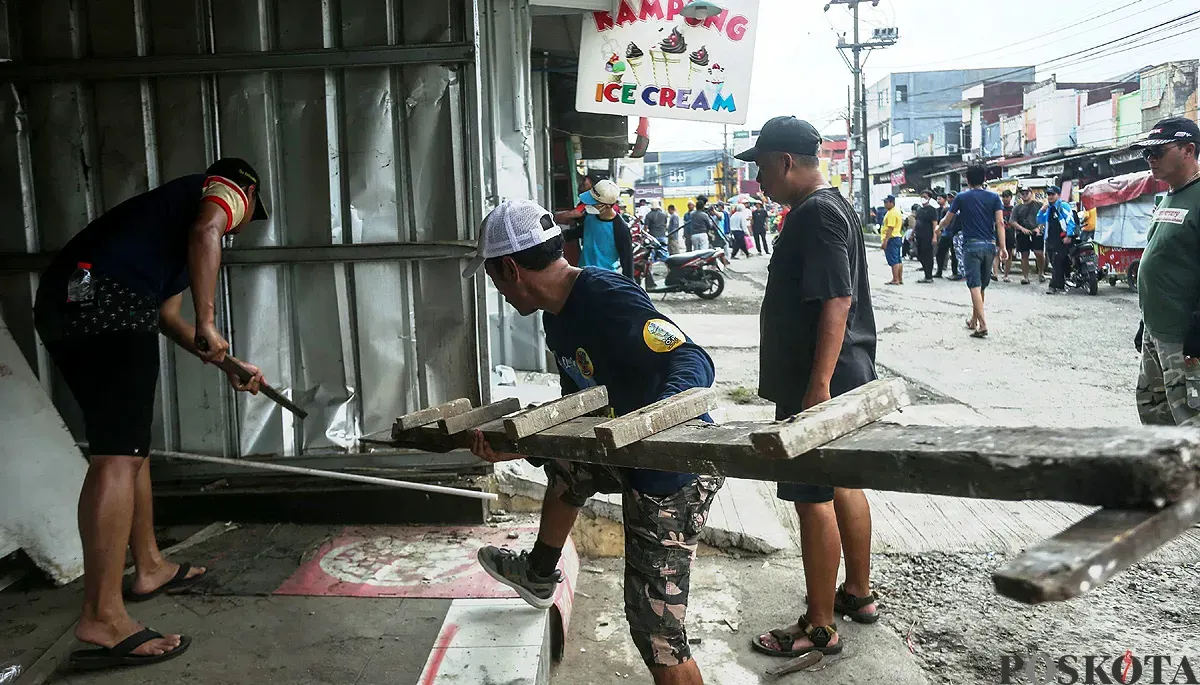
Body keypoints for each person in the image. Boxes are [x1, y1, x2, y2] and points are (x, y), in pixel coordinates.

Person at [461, 200, 723, 685]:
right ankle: (540, 571)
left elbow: (692, 360)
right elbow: (578, 411)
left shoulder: (606, 297)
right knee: (566, 467)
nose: (495, 288)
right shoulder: (555, 315)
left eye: (493, 278)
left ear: (510, 267)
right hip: (622, 452)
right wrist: (521, 446)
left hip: (673, 471)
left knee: (657, 633)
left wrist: (651, 420)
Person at [31, 159, 270, 669]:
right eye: (247, 213)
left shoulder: (165, 239)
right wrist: (209, 318)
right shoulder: (219, 194)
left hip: (76, 302)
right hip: (107, 303)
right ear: (245, 193)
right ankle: (102, 615)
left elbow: (167, 318)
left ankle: (150, 566)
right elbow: (210, 227)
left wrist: (229, 362)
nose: (237, 223)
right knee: (117, 456)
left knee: (128, 447)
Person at [734, 115, 879, 662]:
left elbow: (836, 300)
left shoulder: (816, 215)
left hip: (820, 379)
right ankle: (856, 594)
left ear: (786, 162)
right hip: (840, 372)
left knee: (811, 496)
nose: (759, 180)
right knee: (843, 483)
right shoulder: (830, 207)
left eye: (763, 168)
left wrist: (817, 387)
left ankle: (820, 628)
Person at [1132, 117, 1200, 427]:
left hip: (1185, 339)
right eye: (1147, 153)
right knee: (1155, 418)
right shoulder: (1171, 195)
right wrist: (1144, 323)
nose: (1150, 159)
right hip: (1156, 331)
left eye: (1159, 151)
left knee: (1191, 425)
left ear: (1188, 150)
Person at [936, 165, 1008, 338]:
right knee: (981, 286)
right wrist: (1003, 247)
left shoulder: (961, 197)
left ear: (967, 180)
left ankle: (982, 324)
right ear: (984, 179)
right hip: (990, 245)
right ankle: (974, 320)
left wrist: (939, 227)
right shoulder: (994, 197)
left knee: (974, 285)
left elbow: (948, 219)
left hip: (971, 245)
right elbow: (1000, 223)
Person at [562, 179, 633, 279]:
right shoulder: (591, 216)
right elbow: (578, 232)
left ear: (607, 206)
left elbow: (627, 262)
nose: (589, 205)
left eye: (593, 203)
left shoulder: (620, 228)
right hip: (582, 274)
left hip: (604, 280)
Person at [1038, 186, 1077, 295]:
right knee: (1057, 262)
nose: (1050, 197)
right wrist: (1041, 211)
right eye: (1048, 194)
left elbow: (1070, 221)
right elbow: (1040, 220)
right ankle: (1061, 283)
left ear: (1058, 195)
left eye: (1052, 194)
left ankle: (1052, 286)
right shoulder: (1048, 208)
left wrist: (1069, 235)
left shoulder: (1063, 206)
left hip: (1061, 240)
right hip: (1050, 240)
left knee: (1056, 262)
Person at [1011, 186, 1045, 285]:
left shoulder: (1039, 205)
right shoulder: (1017, 208)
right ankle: (1025, 277)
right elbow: (1012, 221)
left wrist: (1039, 227)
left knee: (1039, 253)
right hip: (1022, 233)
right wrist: (1022, 229)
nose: (1025, 195)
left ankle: (1041, 272)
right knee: (1024, 255)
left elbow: (1045, 217)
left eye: (1027, 192)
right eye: (1022, 193)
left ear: (1031, 193)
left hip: (1037, 232)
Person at [914, 191, 939, 283]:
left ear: (929, 198)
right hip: (919, 236)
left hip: (928, 236)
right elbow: (916, 222)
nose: (923, 198)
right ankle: (925, 273)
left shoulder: (932, 210)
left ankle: (929, 276)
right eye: (921, 196)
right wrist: (912, 233)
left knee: (928, 256)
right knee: (920, 255)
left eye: (924, 196)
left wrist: (934, 237)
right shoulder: (920, 210)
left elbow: (935, 224)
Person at [881, 195, 904, 285]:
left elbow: (890, 228)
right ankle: (899, 278)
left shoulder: (891, 213)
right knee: (898, 259)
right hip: (897, 236)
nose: (885, 204)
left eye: (886, 202)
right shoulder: (896, 211)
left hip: (892, 238)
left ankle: (896, 279)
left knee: (893, 260)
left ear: (891, 202)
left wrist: (885, 241)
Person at [934, 193, 958, 278]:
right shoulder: (946, 209)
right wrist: (939, 229)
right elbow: (942, 221)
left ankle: (955, 273)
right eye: (949, 197)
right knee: (940, 253)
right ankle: (939, 271)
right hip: (946, 234)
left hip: (955, 234)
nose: (950, 199)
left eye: (952, 197)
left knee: (954, 255)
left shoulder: (959, 209)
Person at [996, 190, 1016, 282]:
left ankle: (1006, 275)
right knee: (996, 252)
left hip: (1010, 232)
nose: (1005, 199)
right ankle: (995, 273)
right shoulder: (999, 208)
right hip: (999, 232)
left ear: (1011, 197)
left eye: (1007, 197)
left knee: (1009, 253)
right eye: (1003, 197)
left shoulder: (1014, 209)